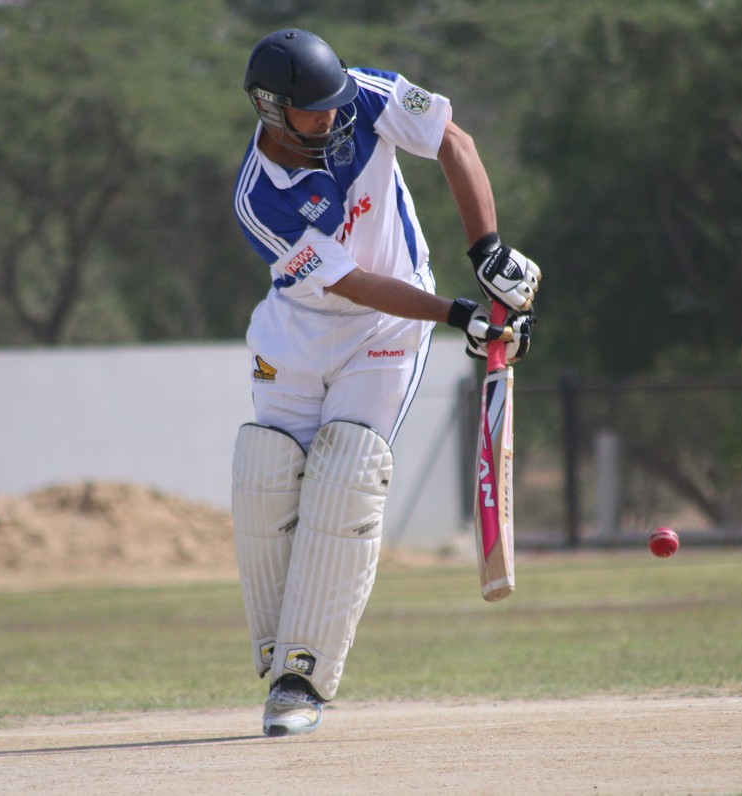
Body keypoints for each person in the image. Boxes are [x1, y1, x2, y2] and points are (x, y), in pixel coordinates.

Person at [230, 28, 541, 737]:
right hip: (300, 331)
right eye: (313, 111)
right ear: (272, 109)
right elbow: (349, 282)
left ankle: (299, 681)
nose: (333, 116)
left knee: (347, 475)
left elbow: (454, 142)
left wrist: (487, 252)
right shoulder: (259, 200)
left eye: (334, 102)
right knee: (267, 474)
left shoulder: (363, 94)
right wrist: (457, 315)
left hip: (387, 332)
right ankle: (278, 651)